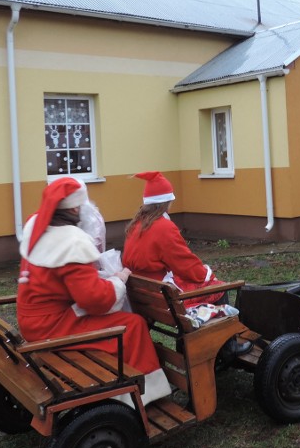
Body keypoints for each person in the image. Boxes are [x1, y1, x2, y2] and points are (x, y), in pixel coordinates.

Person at [16, 176, 171, 406]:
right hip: (52, 326)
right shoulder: (70, 242)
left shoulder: (39, 229)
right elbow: (96, 301)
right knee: (133, 326)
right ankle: (144, 395)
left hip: (33, 320)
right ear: (76, 207)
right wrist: (118, 280)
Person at [122, 171, 252, 357]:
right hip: (164, 299)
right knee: (218, 288)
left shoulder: (137, 225)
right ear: (166, 202)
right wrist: (206, 274)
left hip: (146, 295)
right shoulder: (163, 228)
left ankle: (191, 344)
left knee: (202, 284)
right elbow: (186, 264)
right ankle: (227, 347)